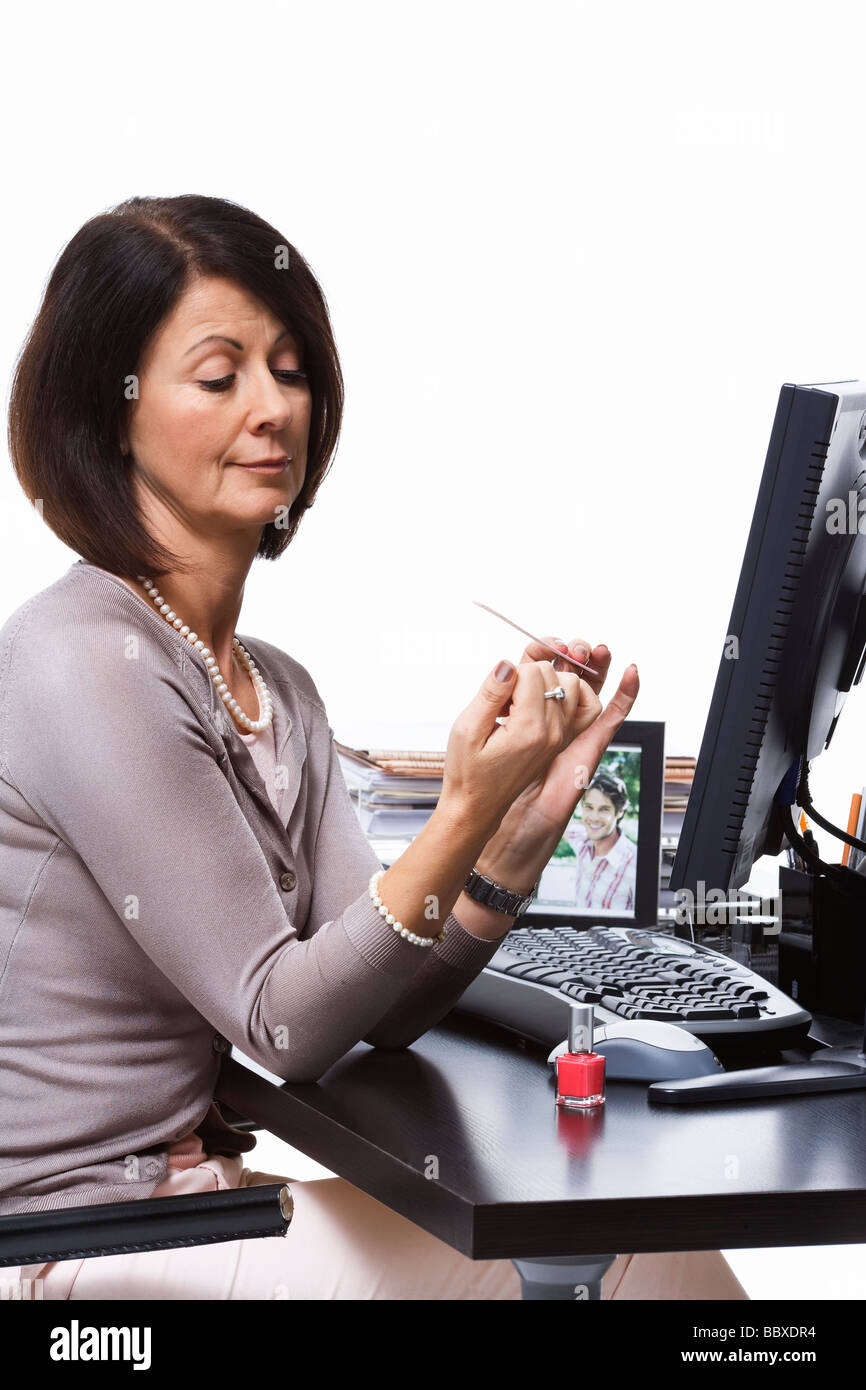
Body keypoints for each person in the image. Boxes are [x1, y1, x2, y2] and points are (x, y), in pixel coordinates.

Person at [0, 194, 747, 1301]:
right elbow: (283, 1020)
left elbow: (379, 1007)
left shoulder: (275, 687)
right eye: (219, 377)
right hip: (77, 1250)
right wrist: (454, 809)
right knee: (637, 1250)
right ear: (108, 414)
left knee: (627, 1237)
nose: (272, 411)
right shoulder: (80, 663)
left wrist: (512, 829)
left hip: (200, 1203)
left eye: (290, 370)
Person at [564, 771, 637, 912]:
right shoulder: (581, 840)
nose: (594, 817)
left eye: (604, 809)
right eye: (589, 807)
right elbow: (557, 814)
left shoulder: (635, 865)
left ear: (620, 811)